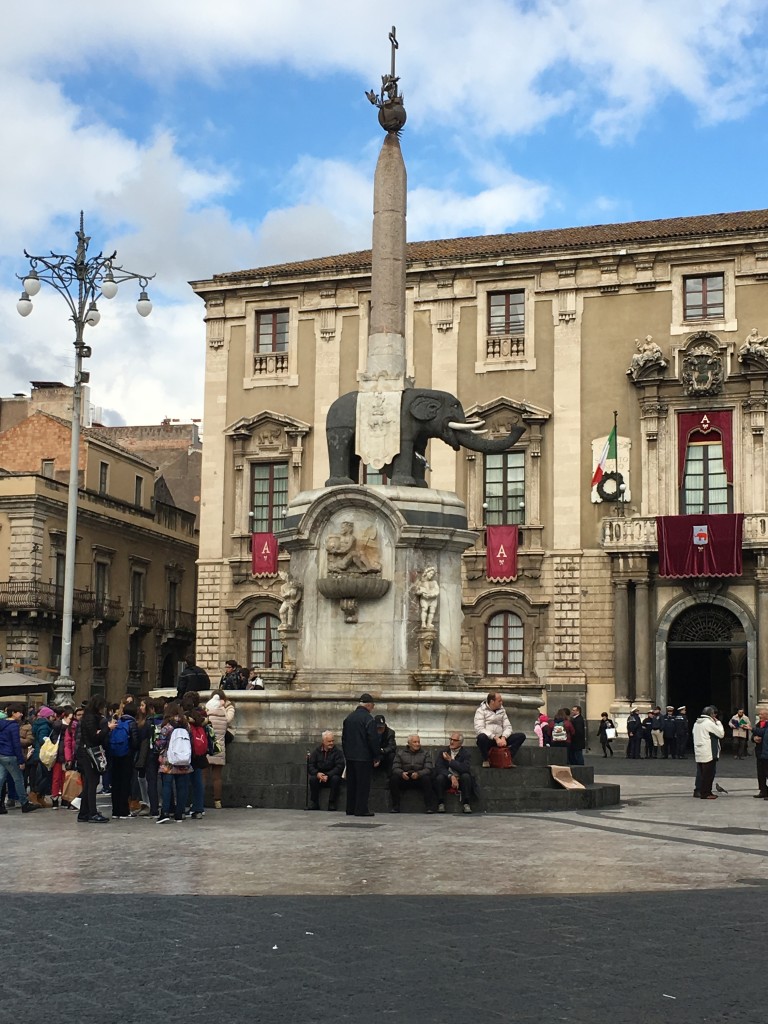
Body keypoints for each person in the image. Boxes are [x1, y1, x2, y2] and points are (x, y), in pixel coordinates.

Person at [341, 693, 380, 817]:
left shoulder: (349, 718)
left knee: (351, 783)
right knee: (363, 784)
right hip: (363, 757)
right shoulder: (368, 719)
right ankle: (361, 809)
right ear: (368, 705)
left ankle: (350, 808)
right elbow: (372, 739)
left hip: (350, 756)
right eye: (372, 706)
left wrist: (347, 754)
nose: (372, 708)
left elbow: (344, 739)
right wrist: (376, 755)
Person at [75, 696, 113, 823]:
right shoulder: (90, 718)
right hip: (89, 753)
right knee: (92, 783)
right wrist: (107, 728)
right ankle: (92, 812)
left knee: (89, 784)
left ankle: (84, 812)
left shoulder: (88, 716)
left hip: (85, 752)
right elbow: (94, 737)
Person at [155, 702, 193, 823]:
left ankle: (165, 811)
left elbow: (161, 743)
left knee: (167, 785)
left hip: (169, 759)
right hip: (183, 759)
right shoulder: (186, 725)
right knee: (182, 787)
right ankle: (179, 813)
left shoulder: (167, 726)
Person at [0, 703, 39, 815]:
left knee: (1, 779)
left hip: (1, 753)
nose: (21, 714)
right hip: (10, 755)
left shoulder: (1, 723)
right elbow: (16, 744)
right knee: (19, 779)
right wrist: (21, 760)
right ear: (13, 713)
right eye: (19, 712)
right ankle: (24, 803)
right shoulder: (13, 725)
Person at [473, 692, 526, 767]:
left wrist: (504, 737)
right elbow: (479, 728)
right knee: (481, 737)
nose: (501, 702)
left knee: (521, 736)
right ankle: (486, 759)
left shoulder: (502, 710)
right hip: (489, 739)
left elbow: (508, 726)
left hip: (501, 738)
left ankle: (507, 756)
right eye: (499, 701)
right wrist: (495, 737)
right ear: (492, 701)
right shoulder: (481, 710)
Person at [205, 689, 235, 809]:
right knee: (217, 777)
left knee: (203, 775)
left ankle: (198, 800)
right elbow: (228, 722)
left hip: (207, 747)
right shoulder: (224, 716)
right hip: (219, 748)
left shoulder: (206, 714)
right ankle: (218, 802)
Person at [109, 701, 140, 820]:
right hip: (127, 756)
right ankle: (124, 810)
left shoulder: (117, 722)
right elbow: (135, 741)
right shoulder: (132, 723)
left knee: (115, 783)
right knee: (125, 783)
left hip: (115, 754)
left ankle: (115, 810)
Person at [389, 734, 434, 813]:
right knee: (394, 779)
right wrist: (402, 773)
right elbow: (395, 767)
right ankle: (395, 806)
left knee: (427, 779)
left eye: (418, 742)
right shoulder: (400, 753)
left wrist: (419, 774)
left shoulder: (425, 753)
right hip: (405, 777)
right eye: (415, 742)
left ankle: (429, 807)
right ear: (409, 743)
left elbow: (428, 768)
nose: (417, 744)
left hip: (419, 778)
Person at [433, 731, 475, 814]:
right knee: (439, 778)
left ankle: (466, 803)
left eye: (455, 740)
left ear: (460, 743)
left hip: (460, 778)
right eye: (451, 739)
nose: (452, 742)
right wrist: (450, 776)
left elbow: (465, 768)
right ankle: (441, 803)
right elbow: (439, 767)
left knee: (466, 776)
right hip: (447, 778)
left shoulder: (465, 753)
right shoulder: (444, 751)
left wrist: (450, 761)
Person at [307, 730, 345, 811]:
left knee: (336, 779)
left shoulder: (338, 752)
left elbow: (339, 766)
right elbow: (310, 765)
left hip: (331, 776)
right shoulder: (316, 752)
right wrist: (317, 774)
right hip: (320, 776)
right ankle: (314, 802)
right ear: (323, 741)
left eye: (332, 741)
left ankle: (332, 802)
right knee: (313, 779)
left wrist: (328, 775)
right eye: (329, 741)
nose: (331, 743)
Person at [693, 705, 724, 800]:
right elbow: (721, 734)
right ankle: (706, 793)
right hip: (708, 751)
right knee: (708, 774)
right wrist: (718, 722)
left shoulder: (697, 723)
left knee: (702, 773)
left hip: (699, 750)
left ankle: (701, 791)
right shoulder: (708, 723)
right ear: (711, 714)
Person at [752, 709, 768, 798]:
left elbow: (762, 732)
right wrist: (754, 738)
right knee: (760, 773)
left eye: (761, 714)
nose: (760, 716)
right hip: (759, 752)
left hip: (765, 751)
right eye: (759, 714)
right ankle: (763, 791)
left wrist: (751, 729)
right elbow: (753, 735)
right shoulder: (758, 724)